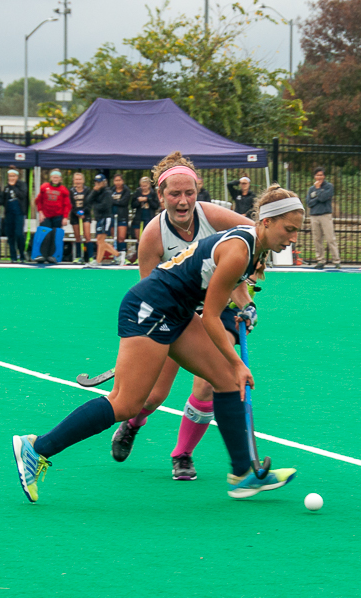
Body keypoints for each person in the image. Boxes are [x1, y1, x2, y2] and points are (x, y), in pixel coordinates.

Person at [12, 176, 304, 503]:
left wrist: (246, 306)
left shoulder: (250, 246)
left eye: (297, 231)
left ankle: (243, 475)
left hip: (176, 311)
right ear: (266, 222)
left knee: (224, 382)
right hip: (150, 309)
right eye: (289, 230)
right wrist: (236, 362)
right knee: (126, 403)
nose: (293, 238)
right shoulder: (240, 251)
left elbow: (225, 288)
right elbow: (209, 316)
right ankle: (36, 447)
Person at [110, 153, 255, 480]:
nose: (183, 200)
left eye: (189, 193)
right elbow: (153, 293)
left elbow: (255, 238)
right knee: (153, 395)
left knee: (209, 385)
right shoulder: (153, 236)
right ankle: (133, 422)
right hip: (174, 314)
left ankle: (183, 454)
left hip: (215, 314)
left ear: (197, 190)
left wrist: (246, 296)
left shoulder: (213, 216)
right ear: (161, 196)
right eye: (175, 194)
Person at [306, 167, 341, 269]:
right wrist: (317, 196)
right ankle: (320, 261)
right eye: (317, 175)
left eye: (321, 175)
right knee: (317, 240)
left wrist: (317, 191)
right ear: (314, 176)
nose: (319, 177)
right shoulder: (311, 189)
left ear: (324, 176)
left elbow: (323, 197)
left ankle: (336, 261)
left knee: (330, 239)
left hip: (325, 215)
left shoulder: (329, 186)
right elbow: (309, 203)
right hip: (314, 216)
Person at [34, 170, 71, 264]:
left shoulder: (63, 190)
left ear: (60, 179)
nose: (55, 179)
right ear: (51, 178)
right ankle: (41, 255)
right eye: (54, 177)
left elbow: (67, 205)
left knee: (56, 236)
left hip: (58, 216)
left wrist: (65, 217)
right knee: (44, 235)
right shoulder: (44, 187)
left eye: (57, 177)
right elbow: (38, 201)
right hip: (46, 216)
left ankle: (53, 256)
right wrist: (40, 213)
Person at [87, 174, 118, 266]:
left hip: (105, 218)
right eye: (96, 182)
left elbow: (105, 206)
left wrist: (94, 207)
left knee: (100, 240)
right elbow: (88, 200)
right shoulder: (97, 192)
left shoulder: (107, 192)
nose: (97, 184)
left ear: (104, 182)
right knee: (99, 241)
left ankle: (98, 261)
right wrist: (94, 191)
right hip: (99, 218)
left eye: (99, 182)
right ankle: (118, 255)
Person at [128, 176, 159, 263]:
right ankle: (138, 257)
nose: (143, 188)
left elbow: (156, 205)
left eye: (145, 186)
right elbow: (132, 204)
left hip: (149, 218)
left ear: (149, 185)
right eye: (142, 186)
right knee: (139, 239)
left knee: (148, 240)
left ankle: (149, 258)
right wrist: (138, 201)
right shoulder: (137, 192)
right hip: (138, 218)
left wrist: (147, 199)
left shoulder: (153, 193)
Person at [2, 169, 28, 263]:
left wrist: (14, 187)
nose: (11, 178)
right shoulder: (6, 187)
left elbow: (23, 195)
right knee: (10, 235)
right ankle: (13, 256)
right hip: (9, 214)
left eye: (13, 176)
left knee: (19, 234)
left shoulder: (22, 185)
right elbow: (3, 200)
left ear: (17, 177)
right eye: (10, 176)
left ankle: (22, 254)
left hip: (19, 214)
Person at [69, 173, 91, 264]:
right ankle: (79, 256)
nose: (78, 181)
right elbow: (70, 203)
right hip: (75, 215)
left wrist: (83, 212)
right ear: (74, 181)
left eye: (79, 179)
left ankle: (90, 257)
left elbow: (89, 202)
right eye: (76, 180)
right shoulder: (71, 191)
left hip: (85, 215)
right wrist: (76, 212)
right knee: (77, 237)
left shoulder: (87, 190)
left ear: (83, 181)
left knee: (87, 236)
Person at [111, 173, 132, 266]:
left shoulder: (126, 191)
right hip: (112, 216)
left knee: (121, 237)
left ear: (122, 181)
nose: (118, 182)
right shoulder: (111, 190)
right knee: (114, 237)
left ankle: (123, 257)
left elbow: (124, 202)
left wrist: (115, 201)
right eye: (116, 180)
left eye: (119, 180)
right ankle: (116, 256)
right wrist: (116, 202)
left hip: (122, 216)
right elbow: (108, 201)